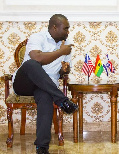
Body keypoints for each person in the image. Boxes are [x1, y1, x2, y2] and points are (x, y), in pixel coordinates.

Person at [12, 14, 78, 154]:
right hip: (25, 83)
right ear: (54, 27)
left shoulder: (66, 44)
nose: (68, 32)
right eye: (65, 28)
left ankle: (42, 147)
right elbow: (37, 57)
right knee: (31, 63)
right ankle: (63, 100)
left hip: (46, 86)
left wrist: (64, 70)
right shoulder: (37, 37)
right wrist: (61, 51)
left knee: (46, 97)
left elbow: (63, 71)